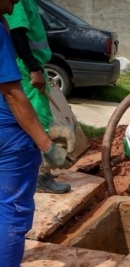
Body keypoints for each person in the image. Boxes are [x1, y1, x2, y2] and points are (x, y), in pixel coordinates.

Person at [1, 0, 71, 267]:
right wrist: (46, 145)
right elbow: (14, 96)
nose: (15, 2)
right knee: (13, 208)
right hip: (8, 135)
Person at [7, 0, 71, 194]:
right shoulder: (17, 2)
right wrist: (33, 68)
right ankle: (41, 177)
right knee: (38, 121)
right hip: (27, 68)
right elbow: (17, 33)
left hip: (26, 65)